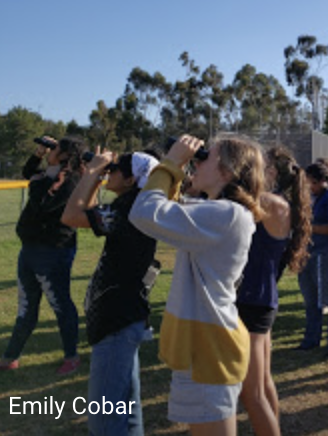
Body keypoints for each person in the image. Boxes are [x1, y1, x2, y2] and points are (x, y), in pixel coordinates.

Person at [129, 134, 263, 435]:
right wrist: (174, 171)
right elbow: (170, 206)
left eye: (205, 157)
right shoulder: (218, 211)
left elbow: (145, 213)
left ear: (227, 172)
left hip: (210, 348)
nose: (196, 162)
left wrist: (172, 163)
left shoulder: (226, 213)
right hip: (205, 343)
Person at [61, 149, 161, 435]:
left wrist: (93, 172)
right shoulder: (134, 205)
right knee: (127, 411)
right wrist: (92, 175)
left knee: (105, 420)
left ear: (131, 179)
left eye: (115, 168)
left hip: (116, 322)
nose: (110, 172)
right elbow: (88, 212)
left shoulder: (127, 211)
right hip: (124, 318)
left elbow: (71, 216)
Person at [0, 135, 85, 375]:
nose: (50, 151)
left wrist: (38, 181)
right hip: (31, 249)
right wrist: (38, 155)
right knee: (26, 307)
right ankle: (10, 357)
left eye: (55, 149)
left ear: (65, 156)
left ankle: (71, 357)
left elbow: (42, 203)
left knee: (60, 305)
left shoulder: (72, 180)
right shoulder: (50, 172)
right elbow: (28, 172)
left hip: (53, 251)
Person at [237, 146, 312, 436]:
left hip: (254, 300)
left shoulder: (271, 203)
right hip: (259, 298)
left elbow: (232, 198)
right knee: (262, 384)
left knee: (251, 393)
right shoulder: (277, 203)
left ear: (270, 173)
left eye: (256, 167)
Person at [296, 161, 328, 358]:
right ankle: (311, 339)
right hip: (308, 252)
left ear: (322, 181)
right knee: (310, 299)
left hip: (324, 254)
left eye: (312, 183)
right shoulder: (312, 197)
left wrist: (308, 227)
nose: (309, 186)